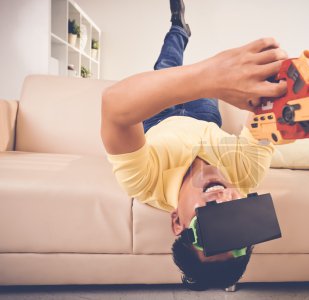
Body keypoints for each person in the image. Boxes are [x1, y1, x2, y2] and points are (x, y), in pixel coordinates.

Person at [101, 0, 287, 290]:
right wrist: (278, 85)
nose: (221, 202)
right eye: (235, 223)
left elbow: (114, 106)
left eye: (205, 227)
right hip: (205, 117)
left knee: (167, 64)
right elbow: (268, 109)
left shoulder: (143, 182)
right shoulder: (248, 173)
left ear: (177, 222)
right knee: (197, 77)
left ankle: (179, 28)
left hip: (156, 119)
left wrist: (211, 76)